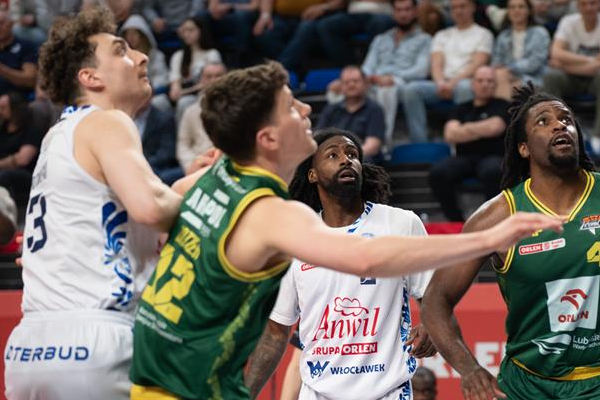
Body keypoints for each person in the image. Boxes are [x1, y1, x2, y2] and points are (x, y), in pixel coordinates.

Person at [128, 61, 563, 400]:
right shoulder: (274, 213)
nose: (307, 110)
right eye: (292, 107)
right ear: (268, 138)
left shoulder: (202, 184)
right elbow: (364, 258)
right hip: (182, 377)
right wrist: (487, 238)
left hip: (155, 364)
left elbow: (146, 211)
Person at [3, 8, 182, 400]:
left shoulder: (58, 136)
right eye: (121, 51)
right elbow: (152, 208)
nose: (141, 57)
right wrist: (212, 198)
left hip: (29, 346)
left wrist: (191, 182)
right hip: (95, 339)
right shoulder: (107, 121)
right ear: (91, 78)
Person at [421, 83, 600, 400]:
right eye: (543, 121)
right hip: (527, 385)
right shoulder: (497, 216)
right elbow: (436, 299)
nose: (560, 125)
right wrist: (469, 368)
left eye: (566, 119)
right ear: (523, 148)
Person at [245, 128, 437, 400]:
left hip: (388, 392)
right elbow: (276, 333)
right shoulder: (293, 240)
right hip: (317, 393)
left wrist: (431, 321)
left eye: (352, 154)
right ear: (312, 174)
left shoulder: (401, 224)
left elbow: (435, 294)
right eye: (332, 155)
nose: (346, 160)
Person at [327, 0, 432, 146]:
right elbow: (367, 67)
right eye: (399, 10)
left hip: (402, 82)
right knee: (337, 89)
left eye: (407, 10)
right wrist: (351, 80)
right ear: (393, 13)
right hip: (374, 81)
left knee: (386, 89)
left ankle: (382, 141)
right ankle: (342, 139)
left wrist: (392, 78)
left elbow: (421, 70)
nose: (403, 14)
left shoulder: (425, 39)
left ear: (415, 12)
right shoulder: (381, 39)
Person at [402, 0, 494, 142]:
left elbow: (477, 64)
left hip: (466, 81)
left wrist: (452, 83)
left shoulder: (484, 34)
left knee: (464, 87)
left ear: (472, 8)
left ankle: (460, 140)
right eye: (454, 8)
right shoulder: (442, 35)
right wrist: (440, 83)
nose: (458, 11)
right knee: (411, 89)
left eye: (462, 6)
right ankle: (420, 141)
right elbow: (436, 63)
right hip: (441, 82)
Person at [429, 66, 510, 222]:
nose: (485, 84)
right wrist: (483, 128)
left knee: (493, 171)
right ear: (472, 84)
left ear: (495, 85)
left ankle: (492, 220)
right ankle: (456, 221)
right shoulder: (460, 108)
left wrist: (464, 129)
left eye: (490, 81)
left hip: (493, 156)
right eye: (480, 80)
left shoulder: (504, 105)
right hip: (464, 158)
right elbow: (450, 134)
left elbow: (495, 127)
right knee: (438, 173)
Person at [543, 0, 600, 146]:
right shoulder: (568, 22)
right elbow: (556, 53)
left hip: (595, 79)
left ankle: (598, 135)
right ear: (578, 6)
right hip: (570, 78)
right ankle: (557, 131)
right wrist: (591, 60)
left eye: (592, 3)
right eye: (584, 4)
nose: (588, 8)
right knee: (551, 76)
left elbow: (597, 67)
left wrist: (565, 64)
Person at [317, 66, 386, 163]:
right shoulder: (331, 109)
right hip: (332, 158)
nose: (351, 85)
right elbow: (319, 137)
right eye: (346, 82)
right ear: (341, 86)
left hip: (361, 159)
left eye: (355, 81)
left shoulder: (374, 110)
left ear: (365, 84)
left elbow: (373, 146)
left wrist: (347, 158)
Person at [492, 0, 550, 100]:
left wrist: (510, 69)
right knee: (498, 76)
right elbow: (496, 62)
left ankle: (501, 110)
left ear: (529, 11)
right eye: (512, 7)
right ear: (508, 12)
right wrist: (503, 70)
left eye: (521, 7)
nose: (516, 10)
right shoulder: (503, 36)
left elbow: (534, 63)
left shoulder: (540, 33)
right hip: (507, 77)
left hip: (534, 78)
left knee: (511, 86)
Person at [176, 61, 227, 175]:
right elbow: (183, 144)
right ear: (201, 80)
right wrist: (191, 165)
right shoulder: (190, 112)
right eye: (208, 76)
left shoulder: (237, 108)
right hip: (197, 165)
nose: (214, 80)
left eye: (218, 75)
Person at [168, 16, 221, 122]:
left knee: (185, 102)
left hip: (206, 95)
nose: (187, 34)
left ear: (201, 31)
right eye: (184, 31)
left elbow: (211, 83)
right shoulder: (178, 56)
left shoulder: (212, 54)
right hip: (185, 97)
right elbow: (174, 89)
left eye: (191, 30)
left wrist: (184, 92)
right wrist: (177, 90)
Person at [0, 8, 37, 96]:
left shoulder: (26, 47)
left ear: (11, 24)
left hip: (16, 97)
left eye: (1, 23)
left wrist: (2, 70)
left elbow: (30, 80)